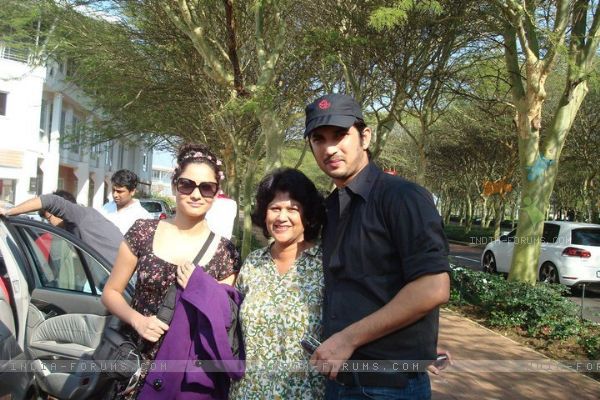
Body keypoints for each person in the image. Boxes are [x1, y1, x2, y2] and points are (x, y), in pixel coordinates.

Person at [304, 93, 451, 399]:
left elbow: (433, 287)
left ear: (365, 137)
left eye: (341, 135)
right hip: (339, 381)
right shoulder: (331, 207)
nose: (330, 148)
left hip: (387, 387)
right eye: (319, 139)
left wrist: (348, 339)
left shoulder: (402, 198)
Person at [101, 143, 241, 399]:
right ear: (175, 185)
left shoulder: (225, 253)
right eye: (188, 184)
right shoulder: (143, 231)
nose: (196, 194)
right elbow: (111, 292)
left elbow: (221, 321)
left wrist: (201, 287)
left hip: (186, 376)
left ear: (216, 193)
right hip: (135, 366)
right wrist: (138, 320)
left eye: (206, 187)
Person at [229, 168, 326, 400]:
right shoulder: (253, 263)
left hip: (307, 394)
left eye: (292, 209)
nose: (282, 217)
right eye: (275, 208)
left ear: (308, 215)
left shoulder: (326, 265)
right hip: (248, 393)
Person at [0, 190, 123, 264]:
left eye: (49, 219)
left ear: (59, 212)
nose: (50, 224)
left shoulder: (80, 215)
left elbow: (50, 201)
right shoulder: (83, 221)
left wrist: (8, 212)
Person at [101, 169, 151, 234]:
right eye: (113, 190)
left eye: (120, 191)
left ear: (132, 191)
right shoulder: (105, 208)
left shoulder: (143, 217)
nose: (115, 195)